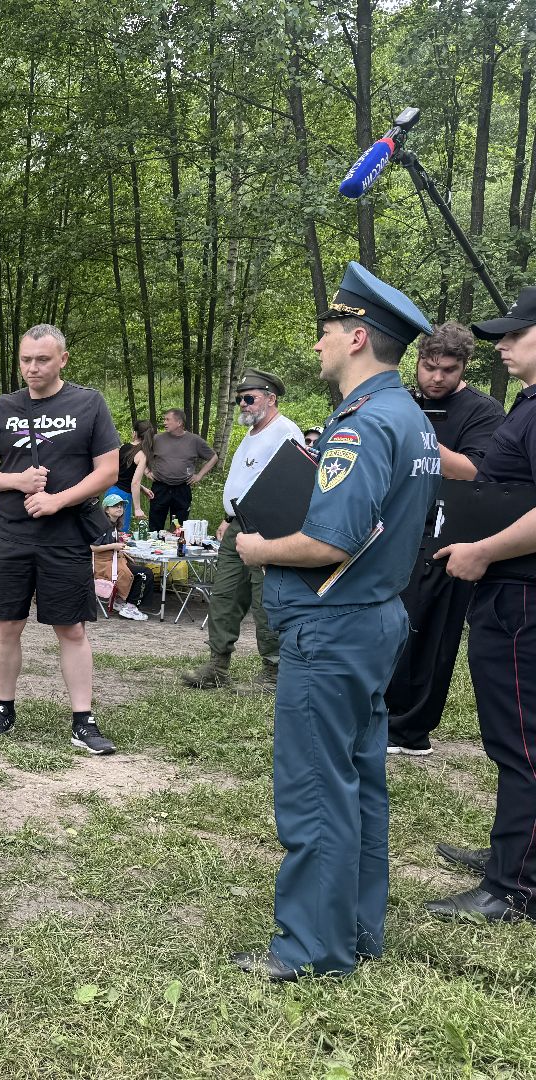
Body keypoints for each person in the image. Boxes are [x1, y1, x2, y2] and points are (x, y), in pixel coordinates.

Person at [230, 262, 440, 979]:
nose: (316, 344)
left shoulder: (360, 425)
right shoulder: (408, 417)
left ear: (356, 337)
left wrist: (257, 548)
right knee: (358, 778)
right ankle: (354, 929)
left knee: (316, 785)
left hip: (333, 624)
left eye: (325, 332)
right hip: (376, 619)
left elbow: (331, 541)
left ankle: (312, 951)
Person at [426, 286, 536, 923]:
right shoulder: (525, 405)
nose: (500, 345)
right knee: (510, 736)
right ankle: (513, 851)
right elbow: (493, 477)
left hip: (523, 593)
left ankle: (515, 885)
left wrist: (485, 549)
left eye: (514, 334)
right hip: (508, 591)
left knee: (522, 738)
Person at [0, 323, 121, 754]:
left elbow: (107, 472)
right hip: (10, 534)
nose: (32, 368)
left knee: (71, 628)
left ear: (62, 360)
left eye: (42, 360)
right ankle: (2, 709)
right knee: (7, 624)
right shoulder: (4, 407)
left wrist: (57, 501)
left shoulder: (88, 403)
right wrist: (18, 481)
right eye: (25, 360)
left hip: (65, 536)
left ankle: (83, 721)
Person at [384, 324, 504, 756]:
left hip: (448, 536)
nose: (436, 378)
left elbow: (475, 472)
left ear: (463, 368)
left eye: (448, 370)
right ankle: (381, 717)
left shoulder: (483, 411)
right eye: (429, 367)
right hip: (395, 529)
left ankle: (410, 731)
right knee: (389, 628)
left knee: (429, 634)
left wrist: (418, 435)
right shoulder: (403, 399)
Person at [181, 370, 303, 691]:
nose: (242, 405)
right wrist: (227, 517)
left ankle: (274, 671)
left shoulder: (285, 431)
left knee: (267, 599)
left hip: (268, 528)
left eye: (249, 398)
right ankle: (218, 666)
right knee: (225, 594)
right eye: (239, 400)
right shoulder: (250, 436)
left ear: (270, 398)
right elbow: (243, 484)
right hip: (238, 525)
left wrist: (273, 528)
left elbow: (295, 484)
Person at [144, 408, 216, 532]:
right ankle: (154, 548)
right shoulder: (157, 439)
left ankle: (176, 549)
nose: (164, 423)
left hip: (182, 489)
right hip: (160, 487)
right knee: (155, 526)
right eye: (164, 419)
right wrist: (146, 471)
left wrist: (199, 475)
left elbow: (214, 457)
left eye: (168, 420)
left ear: (179, 423)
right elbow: (142, 453)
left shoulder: (194, 440)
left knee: (178, 528)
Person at [91, 493, 152, 620]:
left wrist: (121, 552)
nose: (119, 508)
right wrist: (114, 546)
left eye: (121, 506)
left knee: (140, 569)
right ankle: (131, 606)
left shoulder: (114, 525)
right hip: (103, 564)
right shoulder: (102, 525)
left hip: (114, 560)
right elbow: (92, 547)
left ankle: (121, 601)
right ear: (106, 509)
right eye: (115, 506)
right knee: (144, 573)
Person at [107, 420, 156, 530]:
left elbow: (123, 475)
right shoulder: (142, 455)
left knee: (107, 532)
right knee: (121, 534)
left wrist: (142, 488)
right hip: (123, 497)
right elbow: (135, 482)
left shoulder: (124, 447)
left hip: (111, 492)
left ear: (135, 433)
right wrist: (137, 508)